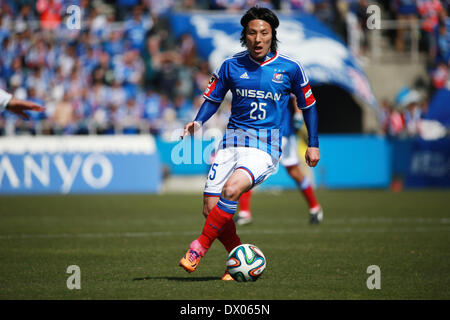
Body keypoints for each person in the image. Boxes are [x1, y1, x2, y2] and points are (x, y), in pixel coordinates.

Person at [178, 7, 320, 280]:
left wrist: (312, 144)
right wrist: (199, 121)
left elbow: (309, 106)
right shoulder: (231, 65)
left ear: (272, 36)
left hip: (266, 147)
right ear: (245, 36)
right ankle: (241, 259)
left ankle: (199, 247)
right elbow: (212, 99)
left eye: (264, 33)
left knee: (232, 190)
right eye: (252, 33)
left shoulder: (290, 68)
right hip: (231, 143)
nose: (258, 38)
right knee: (210, 209)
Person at [235, 94, 323, 226]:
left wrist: (298, 115)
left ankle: (315, 207)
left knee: (294, 172)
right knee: (248, 168)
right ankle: (245, 213)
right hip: (260, 132)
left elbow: (297, 95)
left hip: (283, 133)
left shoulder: (281, 73)